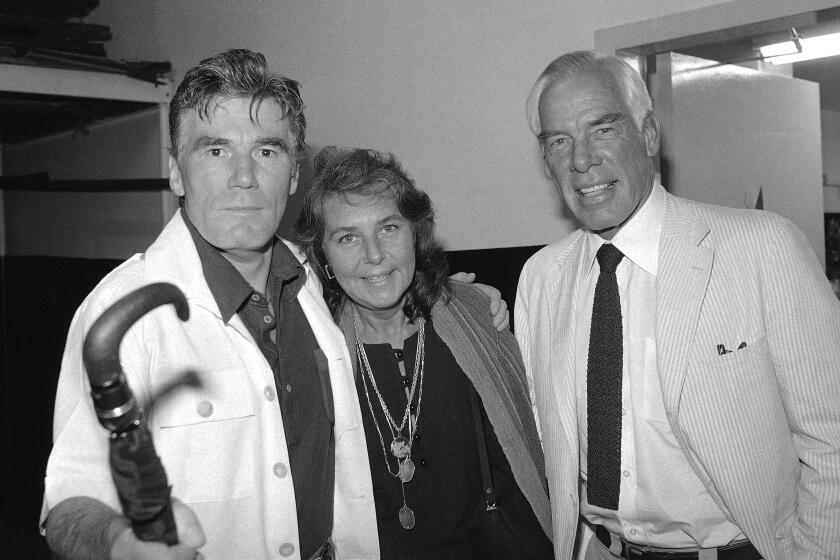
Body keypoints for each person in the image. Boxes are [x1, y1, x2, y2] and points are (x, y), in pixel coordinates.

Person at [40, 49, 507, 560]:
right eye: (215, 150)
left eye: (266, 151)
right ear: (176, 173)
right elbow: (68, 503)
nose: (244, 176)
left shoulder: (315, 280)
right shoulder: (123, 313)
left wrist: (461, 302)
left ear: (291, 175)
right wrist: (119, 544)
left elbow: (388, 289)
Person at [515, 50, 840, 560]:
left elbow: (833, 436)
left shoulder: (761, 247)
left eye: (602, 129)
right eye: (559, 141)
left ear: (648, 136)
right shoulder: (540, 279)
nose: (581, 159)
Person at [294, 146, 553, 560]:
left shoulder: (477, 318)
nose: (374, 254)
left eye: (389, 228)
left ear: (415, 233)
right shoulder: (311, 353)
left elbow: (531, 456)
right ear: (322, 257)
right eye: (347, 237)